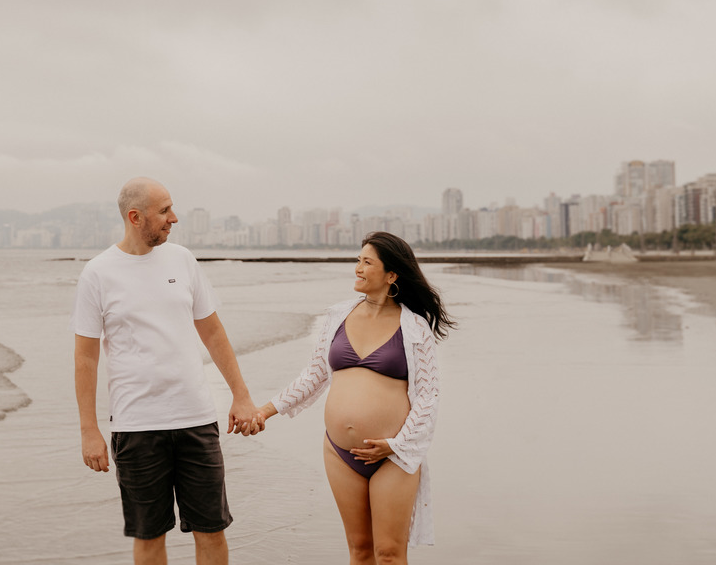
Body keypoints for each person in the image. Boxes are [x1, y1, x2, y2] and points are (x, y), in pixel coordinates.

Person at [72, 177, 264, 565]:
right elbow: (85, 358)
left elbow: (213, 332)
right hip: (136, 427)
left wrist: (241, 396)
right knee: (149, 537)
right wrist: (89, 430)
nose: (173, 218)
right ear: (135, 217)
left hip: (196, 420)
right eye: (164, 211)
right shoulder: (98, 273)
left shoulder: (183, 260)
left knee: (212, 530)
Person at [257, 232, 454, 565]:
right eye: (358, 260)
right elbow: (314, 376)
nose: (357, 269)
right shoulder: (337, 316)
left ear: (391, 275)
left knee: (389, 554)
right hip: (340, 453)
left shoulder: (414, 327)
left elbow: (427, 397)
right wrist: (264, 411)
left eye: (367, 262)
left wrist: (397, 444)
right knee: (360, 550)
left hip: (393, 456)